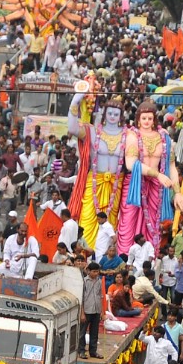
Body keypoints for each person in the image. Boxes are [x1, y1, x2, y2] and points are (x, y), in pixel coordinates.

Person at [119, 101, 183, 254]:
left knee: (154, 226)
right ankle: (126, 258)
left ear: (155, 119)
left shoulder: (164, 138)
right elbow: (131, 164)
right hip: (135, 185)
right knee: (128, 225)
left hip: (156, 188)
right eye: (143, 118)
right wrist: (158, 175)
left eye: (150, 118)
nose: (147, 122)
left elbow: (171, 167)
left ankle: (150, 260)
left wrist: (178, 192)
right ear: (138, 119)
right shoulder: (132, 136)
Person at [67, 92, 128, 249]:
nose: (113, 116)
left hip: (116, 184)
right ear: (104, 114)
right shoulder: (92, 132)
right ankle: (85, 252)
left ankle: (105, 254)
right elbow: (73, 129)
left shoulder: (128, 135)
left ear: (121, 116)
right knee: (87, 217)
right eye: (110, 113)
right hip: (94, 182)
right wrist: (75, 100)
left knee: (111, 220)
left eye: (116, 114)